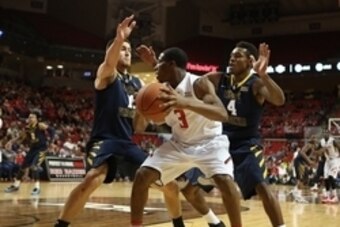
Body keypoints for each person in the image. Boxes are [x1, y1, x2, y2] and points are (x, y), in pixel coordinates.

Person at [55, 15, 223, 227]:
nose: (126, 51)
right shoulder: (107, 74)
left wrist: (147, 113)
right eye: (122, 49)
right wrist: (119, 39)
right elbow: (109, 61)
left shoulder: (136, 84)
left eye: (127, 49)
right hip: (104, 141)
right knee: (93, 178)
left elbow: (138, 127)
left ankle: (178, 224)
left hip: (127, 143)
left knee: (168, 185)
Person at [130, 47, 242, 227]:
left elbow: (222, 114)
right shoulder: (159, 91)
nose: (155, 68)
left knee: (225, 182)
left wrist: (186, 102)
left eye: (159, 64)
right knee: (142, 175)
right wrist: (140, 108)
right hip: (179, 144)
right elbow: (138, 128)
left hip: (210, 142)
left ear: (172, 64)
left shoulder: (199, 84)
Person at [205, 41, 286, 227]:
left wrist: (264, 75)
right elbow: (192, 81)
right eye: (231, 56)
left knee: (263, 187)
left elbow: (279, 100)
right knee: (189, 185)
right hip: (219, 143)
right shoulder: (220, 79)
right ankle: (215, 222)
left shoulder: (255, 84)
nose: (231, 60)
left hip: (246, 144)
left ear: (250, 61)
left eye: (237, 57)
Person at [4, 112, 54, 195]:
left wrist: (51, 142)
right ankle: (16, 185)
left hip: (42, 149)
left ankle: (37, 188)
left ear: (36, 119)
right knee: (23, 167)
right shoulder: (27, 128)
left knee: (34, 167)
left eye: (32, 117)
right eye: (29, 117)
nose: (30, 118)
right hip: (33, 149)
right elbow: (20, 137)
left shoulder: (40, 125)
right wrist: (10, 142)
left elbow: (52, 130)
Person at [291, 135, 319, 203]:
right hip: (299, 162)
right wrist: (309, 161)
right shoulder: (309, 145)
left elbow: (312, 156)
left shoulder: (314, 147)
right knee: (302, 179)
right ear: (311, 139)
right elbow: (302, 152)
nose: (314, 139)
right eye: (313, 137)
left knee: (305, 179)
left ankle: (295, 191)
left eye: (315, 137)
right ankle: (298, 196)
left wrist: (311, 163)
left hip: (303, 163)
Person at [320, 130, 340, 204]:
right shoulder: (321, 141)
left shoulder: (332, 141)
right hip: (327, 161)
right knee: (326, 178)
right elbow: (319, 150)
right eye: (324, 132)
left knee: (331, 177)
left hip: (335, 160)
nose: (325, 134)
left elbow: (339, 147)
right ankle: (328, 196)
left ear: (329, 134)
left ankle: (335, 197)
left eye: (327, 133)